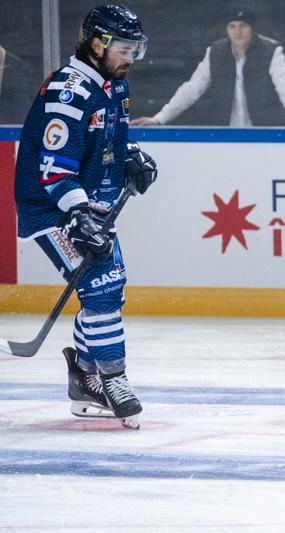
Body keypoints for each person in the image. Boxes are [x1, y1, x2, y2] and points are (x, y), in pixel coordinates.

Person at [13, 4, 157, 429]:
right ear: (98, 44)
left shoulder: (115, 87)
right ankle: (111, 381)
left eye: (136, 49)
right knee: (102, 286)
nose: (131, 58)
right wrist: (77, 214)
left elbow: (111, 139)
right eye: (125, 49)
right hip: (52, 206)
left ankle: (83, 378)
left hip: (86, 204)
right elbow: (54, 168)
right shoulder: (69, 91)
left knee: (108, 286)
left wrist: (132, 156)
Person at [131, 7, 285, 128]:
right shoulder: (215, 51)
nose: (237, 31)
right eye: (232, 26)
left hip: (265, 128)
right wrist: (159, 118)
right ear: (227, 29)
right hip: (225, 131)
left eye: (243, 26)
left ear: (252, 29)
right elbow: (192, 88)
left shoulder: (271, 50)